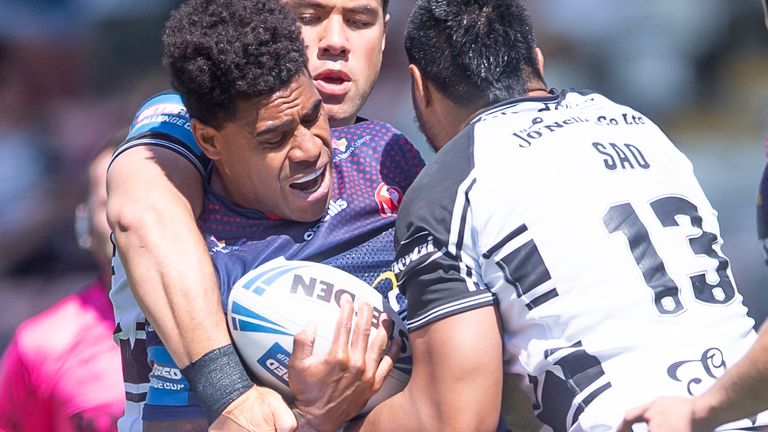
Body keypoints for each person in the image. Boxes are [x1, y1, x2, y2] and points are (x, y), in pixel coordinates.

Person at [309, 1, 768, 431]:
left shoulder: (448, 185)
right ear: (538, 62)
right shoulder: (638, 125)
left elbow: (454, 417)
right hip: (744, 400)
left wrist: (318, 416)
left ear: (419, 86)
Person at [107, 0, 422, 430]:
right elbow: (141, 214)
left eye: (358, 20)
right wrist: (257, 404)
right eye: (309, 18)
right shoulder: (203, 255)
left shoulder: (387, 153)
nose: (335, 42)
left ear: (386, 32)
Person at [0, 136, 124, 431]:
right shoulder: (41, 345)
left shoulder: (237, 318)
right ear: (83, 225)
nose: (128, 217)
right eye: (110, 202)